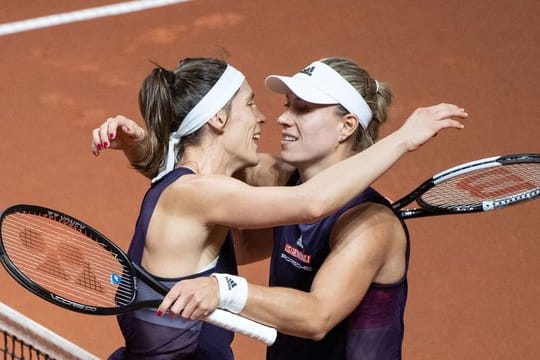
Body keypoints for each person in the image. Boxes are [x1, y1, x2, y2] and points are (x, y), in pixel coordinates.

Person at [91, 57, 467, 359]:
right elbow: (200, 182)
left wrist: (223, 289)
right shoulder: (283, 182)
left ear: (346, 126)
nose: (280, 118)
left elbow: (317, 315)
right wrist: (146, 149)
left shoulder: (371, 224)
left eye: (302, 109)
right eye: (287, 105)